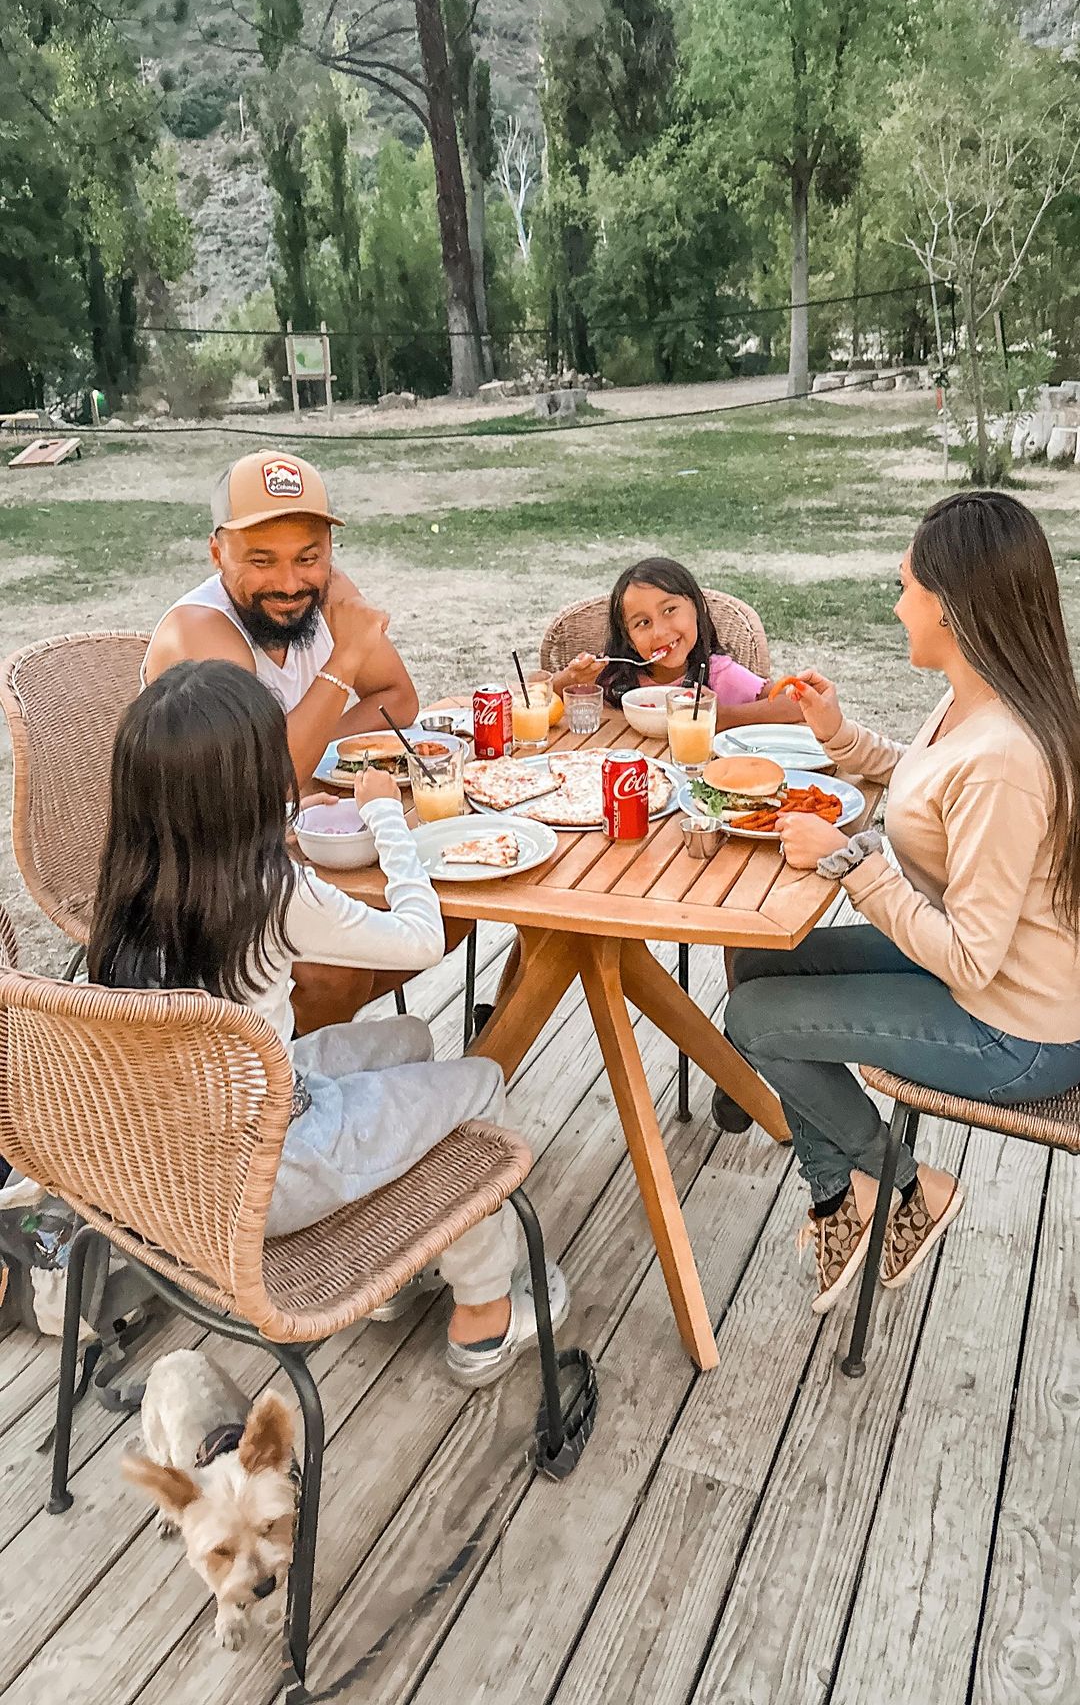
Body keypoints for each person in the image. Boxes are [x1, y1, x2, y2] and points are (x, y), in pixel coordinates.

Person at [87, 660, 569, 1385]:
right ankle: (485, 1314)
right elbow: (421, 939)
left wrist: (290, 832)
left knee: (411, 1039)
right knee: (480, 1082)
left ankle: (396, 1262)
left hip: (182, 1163)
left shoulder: (127, 888)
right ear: (253, 785)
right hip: (270, 1174)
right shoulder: (274, 893)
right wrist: (384, 815)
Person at [723, 492, 1080, 1315]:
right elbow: (926, 785)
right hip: (981, 975)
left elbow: (971, 958)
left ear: (950, 606)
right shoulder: (977, 695)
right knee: (758, 960)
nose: (896, 606)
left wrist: (853, 862)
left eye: (905, 587)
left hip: (1015, 1029)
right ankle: (836, 1195)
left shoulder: (1005, 757)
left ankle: (903, 1185)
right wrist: (837, 734)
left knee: (753, 1019)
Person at [143, 449, 437, 1035]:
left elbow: (397, 700)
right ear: (217, 553)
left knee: (449, 910)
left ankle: (315, 1047)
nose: (289, 583)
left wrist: (309, 753)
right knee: (339, 972)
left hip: (288, 837)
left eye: (309, 557)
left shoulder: (327, 593)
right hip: (198, 873)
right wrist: (342, 664)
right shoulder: (200, 631)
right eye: (261, 560)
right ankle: (274, 1071)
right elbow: (266, 781)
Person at [551, 557, 803, 728]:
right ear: (628, 638)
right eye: (643, 623)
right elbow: (537, 700)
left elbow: (799, 703)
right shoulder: (612, 676)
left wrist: (722, 716)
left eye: (669, 610)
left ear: (699, 608)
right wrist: (571, 678)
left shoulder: (720, 674)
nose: (660, 632)